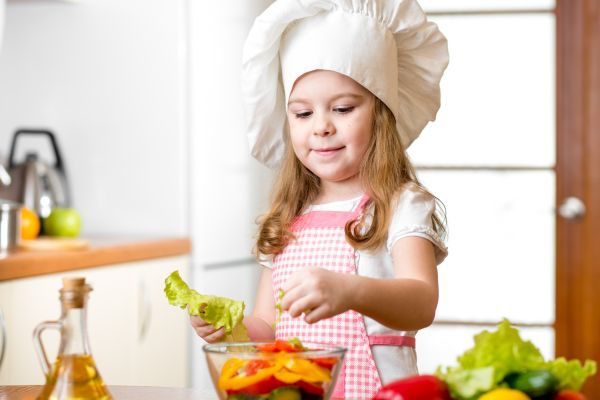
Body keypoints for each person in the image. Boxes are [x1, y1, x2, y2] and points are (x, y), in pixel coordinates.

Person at [191, 0, 449, 397]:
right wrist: (233, 329)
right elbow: (268, 329)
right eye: (302, 113)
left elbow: (421, 300)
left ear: (381, 115)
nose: (322, 127)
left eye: (343, 108)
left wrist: (350, 290)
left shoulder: (401, 205)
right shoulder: (288, 216)